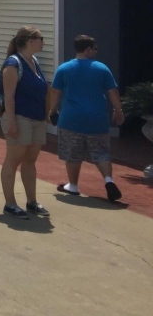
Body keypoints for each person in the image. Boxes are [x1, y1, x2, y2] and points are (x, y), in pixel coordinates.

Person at [51, 35, 124, 202]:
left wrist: (52, 110)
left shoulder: (64, 68)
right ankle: (108, 180)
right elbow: (113, 91)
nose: (96, 52)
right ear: (88, 49)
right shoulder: (102, 69)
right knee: (101, 153)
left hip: (71, 118)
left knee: (72, 153)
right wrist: (118, 110)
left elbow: (55, 91)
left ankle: (73, 185)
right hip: (97, 119)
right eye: (95, 49)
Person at [0, 26, 49, 219]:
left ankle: (31, 201)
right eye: (40, 38)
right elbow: (9, 95)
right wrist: (12, 122)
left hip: (36, 118)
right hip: (20, 117)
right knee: (13, 160)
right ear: (29, 41)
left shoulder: (34, 61)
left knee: (30, 161)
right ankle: (10, 204)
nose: (43, 42)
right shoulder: (13, 63)